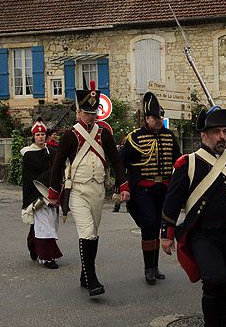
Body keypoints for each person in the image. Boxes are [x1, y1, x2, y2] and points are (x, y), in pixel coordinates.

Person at [160, 106, 226, 327]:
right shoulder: (188, 163)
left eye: (224, 131)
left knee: (224, 284)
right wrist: (166, 234)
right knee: (214, 280)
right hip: (204, 236)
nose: (222, 136)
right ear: (204, 136)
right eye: (216, 132)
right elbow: (172, 201)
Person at [48, 85, 129, 297]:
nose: (90, 117)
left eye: (93, 113)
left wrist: (123, 184)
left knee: (94, 233)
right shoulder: (70, 135)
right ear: (78, 112)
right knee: (87, 233)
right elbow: (57, 165)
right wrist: (53, 193)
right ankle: (92, 279)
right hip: (78, 191)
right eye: (86, 113)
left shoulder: (104, 133)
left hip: (98, 191)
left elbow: (116, 160)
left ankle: (85, 274)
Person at [121, 92, 181, 285]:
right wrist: (123, 186)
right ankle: (148, 268)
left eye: (160, 117)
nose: (159, 120)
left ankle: (155, 267)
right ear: (147, 118)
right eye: (156, 117)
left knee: (160, 226)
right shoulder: (135, 138)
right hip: (144, 189)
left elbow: (178, 162)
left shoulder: (169, 136)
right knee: (148, 226)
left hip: (164, 188)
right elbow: (121, 163)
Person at [21, 118, 63, 269]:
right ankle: (46, 257)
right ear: (33, 137)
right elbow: (31, 178)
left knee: (49, 223)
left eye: (43, 134)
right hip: (37, 195)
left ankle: (33, 246)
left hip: (52, 193)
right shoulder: (29, 155)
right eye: (38, 135)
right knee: (44, 226)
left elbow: (58, 172)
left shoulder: (53, 152)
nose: (41, 137)